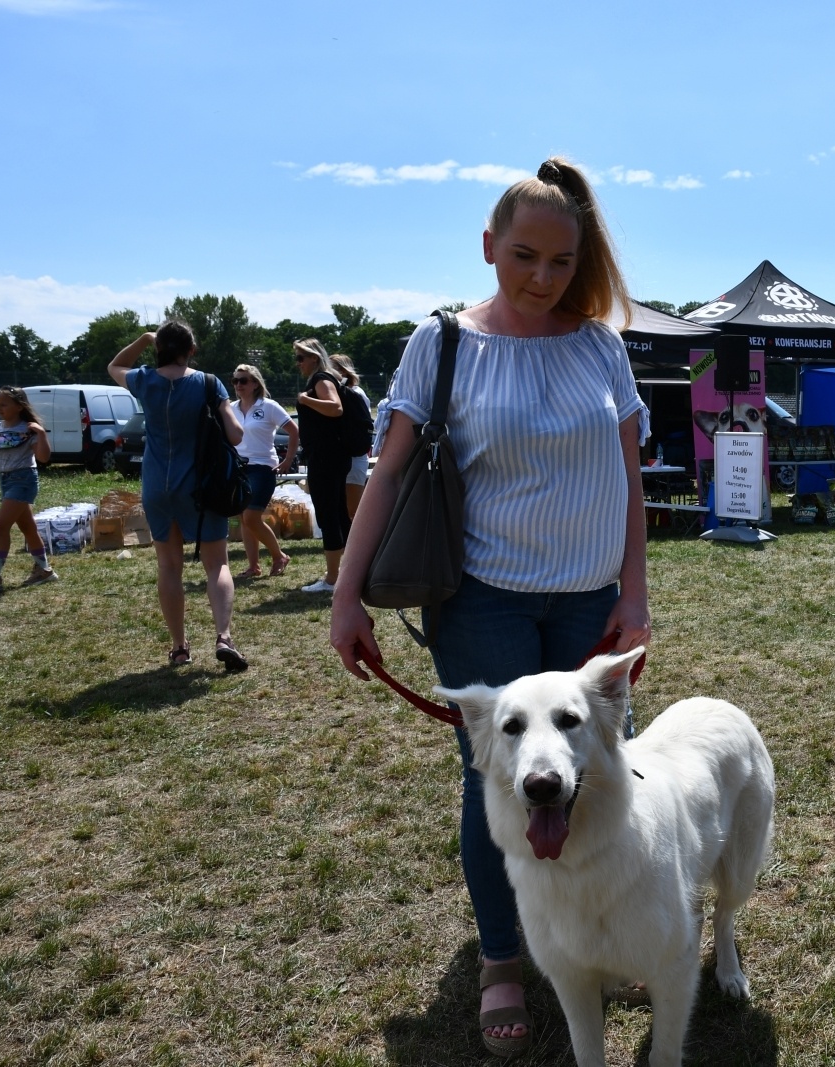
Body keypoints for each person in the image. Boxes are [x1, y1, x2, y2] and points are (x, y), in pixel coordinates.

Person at [329, 158, 650, 1058]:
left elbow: (627, 480)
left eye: (559, 261)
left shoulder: (602, 346)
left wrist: (635, 593)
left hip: (588, 600)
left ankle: (598, 925)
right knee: (502, 782)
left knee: (599, 770)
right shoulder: (444, 344)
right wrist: (346, 595)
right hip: (483, 601)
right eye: (523, 255)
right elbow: (387, 474)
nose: (542, 277)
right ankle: (503, 958)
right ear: (487, 246)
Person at [109, 323, 248, 670]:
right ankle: (224, 636)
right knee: (217, 564)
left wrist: (142, 339)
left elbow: (114, 366)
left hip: (157, 486)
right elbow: (235, 435)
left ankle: (179, 647)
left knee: (169, 566)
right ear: (192, 350)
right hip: (199, 487)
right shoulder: (207, 382)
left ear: (159, 349)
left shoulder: (144, 379)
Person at [0, 387, 56, 593]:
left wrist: (41, 433)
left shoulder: (28, 429)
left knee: (0, 527)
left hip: (23, 479)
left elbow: (43, 458)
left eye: (4, 404)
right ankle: (44, 570)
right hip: (5, 480)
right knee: (28, 528)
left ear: (19, 406)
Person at [229, 364, 298, 578]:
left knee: (251, 517)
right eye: (235, 380)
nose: (238, 385)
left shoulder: (268, 406)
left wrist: (288, 459)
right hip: (239, 468)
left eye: (244, 380)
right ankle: (253, 566)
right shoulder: (231, 408)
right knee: (243, 518)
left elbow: (294, 431)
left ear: (255, 384)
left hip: (262, 467)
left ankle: (279, 556)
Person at [292, 339, 349, 594]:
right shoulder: (324, 377)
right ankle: (344, 574)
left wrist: (305, 401)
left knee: (329, 516)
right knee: (336, 514)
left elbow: (335, 408)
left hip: (326, 458)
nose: (298, 363)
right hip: (331, 457)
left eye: (301, 358)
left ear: (314, 358)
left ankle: (333, 579)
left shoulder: (321, 380)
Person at [329, 353, 371, 520]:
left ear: (343, 372)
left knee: (352, 511)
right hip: (338, 456)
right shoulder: (336, 393)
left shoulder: (355, 393)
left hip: (354, 456)